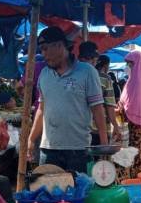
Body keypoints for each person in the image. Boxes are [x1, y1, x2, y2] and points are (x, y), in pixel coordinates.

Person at [27, 27, 107, 176]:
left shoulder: (87, 72)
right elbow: (41, 109)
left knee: (78, 195)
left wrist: (103, 145)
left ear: (59, 46)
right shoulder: (44, 74)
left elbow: (97, 109)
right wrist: (31, 140)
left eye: (45, 49)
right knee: (48, 196)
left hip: (78, 149)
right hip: (48, 149)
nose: (43, 54)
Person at [118, 51, 141, 178]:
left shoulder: (139, 82)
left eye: (130, 63)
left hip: (139, 125)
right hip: (136, 126)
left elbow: (132, 105)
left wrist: (122, 108)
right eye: (128, 63)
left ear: (137, 63)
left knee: (139, 154)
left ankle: (139, 180)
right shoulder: (134, 81)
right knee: (138, 154)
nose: (128, 66)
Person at [78, 45, 121, 146]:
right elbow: (109, 106)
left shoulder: (73, 75)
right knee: (99, 161)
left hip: (80, 129)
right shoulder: (105, 78)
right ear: (93, 60)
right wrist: (115, 126)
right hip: (97, 130)